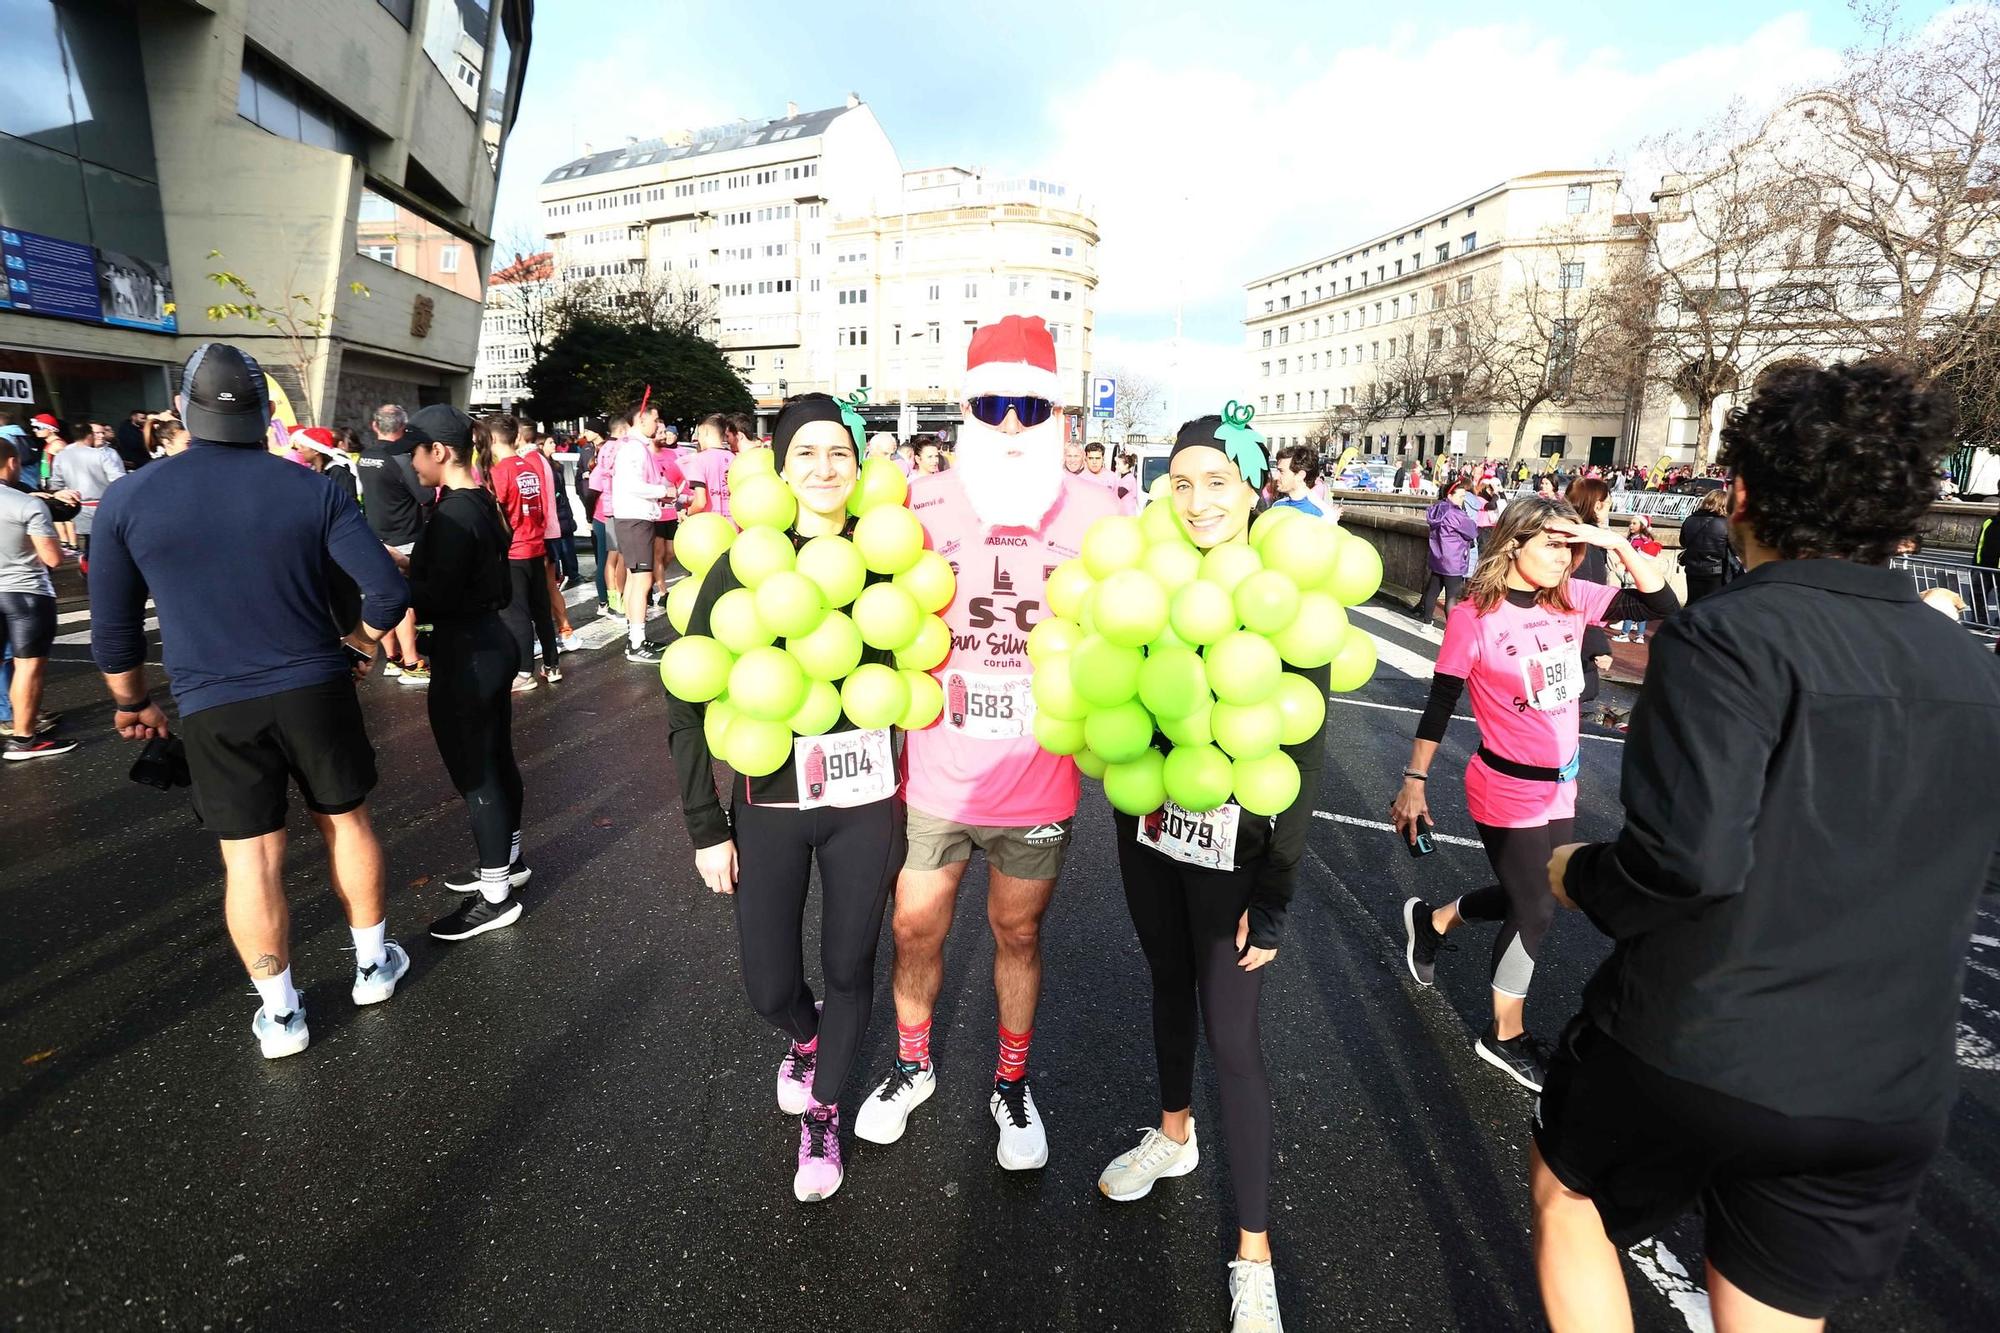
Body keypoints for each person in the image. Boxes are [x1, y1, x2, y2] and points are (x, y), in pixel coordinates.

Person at [1532, 360, 2000, 1333]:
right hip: (1885, 1085)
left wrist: (1579, 873)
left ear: (1741, 492)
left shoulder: (1727, 636)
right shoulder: (1969, 666)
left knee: (1567, 1197)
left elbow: (1685, 860)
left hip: (1704, 1044)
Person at [89, 343, 412, 1060]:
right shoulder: (314, 488)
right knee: (346, 821)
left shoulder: (128, 498)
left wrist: (131, 702)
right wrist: (359, 644)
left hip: (213, 701)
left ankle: (283, 1014)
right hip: (314, 685)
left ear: (182, 410)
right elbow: (388, 593)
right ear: (268, 413)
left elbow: (114, 635)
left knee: (251, 859)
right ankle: (371, 968)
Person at [853, 315, 1122, 1168]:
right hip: (939, 771)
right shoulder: (918, 506)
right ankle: (911, 1065)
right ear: (967, 408)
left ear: (1059, 415)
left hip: (1038, 779)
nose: (1011, 424)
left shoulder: (1101, 510)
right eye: (994, 403)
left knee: (1017, 934)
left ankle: (1011, 1083)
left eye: (1031, 407)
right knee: (915, 927)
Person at [1095, 416, 1326, 1333]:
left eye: (1221, 479)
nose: (1199, 500)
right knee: (1164, 983)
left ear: (1253, 486)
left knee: (1234, 1037)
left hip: (1237, 849)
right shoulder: (1142, 578)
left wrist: (1274, 900)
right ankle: (1174, 1134)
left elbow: (1299, 760)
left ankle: (1254, 1253)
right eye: (1182, 481)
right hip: (1148, 825)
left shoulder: (1279, 599)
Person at [668, 393, 903, 1203]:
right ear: (778, 464)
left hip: (864, 802)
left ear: (858, 462)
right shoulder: (744, 562)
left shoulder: (888, 556)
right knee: (768, 984)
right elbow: (687, 694)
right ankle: (804, 1042)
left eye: (839, 451)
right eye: (806, 452)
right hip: (767, 800)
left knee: (848, 965)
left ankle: (826, 1112)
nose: (825, 467)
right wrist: (705, 824)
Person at [1389, 495, 1678, 1092]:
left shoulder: (1574, 597)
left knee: (1542, 889)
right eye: (1551, 542)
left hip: (1561, 783)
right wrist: (1414, 781)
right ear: (1514, 542)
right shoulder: (1476, 613)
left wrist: (1614, 543)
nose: (1565, 555)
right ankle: (1505, 1036)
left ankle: (1435, 920)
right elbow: (1441, 702)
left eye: (1571, 545)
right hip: (1503, 785)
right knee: (1537, 908)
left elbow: (1664, 605)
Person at [400, 408, 531, 942]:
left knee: (476, 772)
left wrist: (389, 580)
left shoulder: (455, 513)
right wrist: (411, 564)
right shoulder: (479, 500)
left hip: (468, 652)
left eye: (415, 451)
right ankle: (507, 860)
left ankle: (495, 895)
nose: (410, 462)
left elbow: (437, 594)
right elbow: (460, 574)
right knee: (495, 756)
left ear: (441, 451)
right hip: (488, 642)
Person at [0, 439, 77, 758]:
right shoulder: (25, 504)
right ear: (13, 462)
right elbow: (53, 557)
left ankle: (13, 724)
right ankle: (25, 739)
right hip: (25, 594)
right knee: (28, 667)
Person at [355, 404, 431, 684]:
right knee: (404, 602)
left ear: (375, 426)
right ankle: (411, 663)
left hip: (375, 535)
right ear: (403, 427)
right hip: (405, 538)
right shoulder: (400, 457)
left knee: (382, 595)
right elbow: (424, 495)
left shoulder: (365, 457)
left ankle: (393, 659)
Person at [486, 414, 560, 689]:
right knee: (541, 609)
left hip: (515, 548)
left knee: (516, 611)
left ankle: (524, 671)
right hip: (536, 544)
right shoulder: (529, 466)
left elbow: (497, 511)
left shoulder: (500, 472)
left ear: (493, 439)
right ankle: (551, 665)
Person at [604, 401, 672, 662]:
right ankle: (635, 644)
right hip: (635, 519)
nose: (658, 424)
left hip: (637, 518)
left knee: (637, 579)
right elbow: (633, 485)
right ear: (641, 420)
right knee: (642, 580)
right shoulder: (633, 449)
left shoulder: (636, 447)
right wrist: (662, 492)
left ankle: (637, 638)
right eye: (655, 419)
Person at [1563, 478, 1618, 703]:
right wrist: (1598, 646)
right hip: (1572, 640)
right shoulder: (1585, 543)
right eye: (1608, 505)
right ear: (1597, 506)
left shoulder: (1567, 533)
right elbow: (1583, 598)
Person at [47, 420, 126, 563]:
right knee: (107, 542)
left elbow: (55, 484)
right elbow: (118, 480)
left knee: (90, 542)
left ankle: (88, 567)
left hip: (78, 506)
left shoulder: (62, 456)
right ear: (89, 435)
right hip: (103, 504)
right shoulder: (100, 455)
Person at [1414, 478, 1479, 629]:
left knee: (1433, 591)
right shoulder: (1456, 514)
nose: (1463, 499)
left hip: (1438, 557)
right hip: (1454, 559)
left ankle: (1427, 623)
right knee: (1452, 596)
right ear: (1450, 496)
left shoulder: (1436, 509)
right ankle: (1451, 628)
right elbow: (1472, 531)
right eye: (1461, 496)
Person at [1678, 484, 1732, 605]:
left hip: (1692, 569)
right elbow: (1734, 548)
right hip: (1716, 571)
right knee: (1713, 605)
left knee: (1692, 602)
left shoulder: (1690, 520)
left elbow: (1683, 542)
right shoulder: (1726, 524)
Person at [685, 413, 735, 521]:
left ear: (705, 432)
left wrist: (686, 513)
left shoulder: (699, 460)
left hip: (709, 528)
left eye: (698, 434)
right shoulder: (735, 459)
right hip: (734, 527)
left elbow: (700, 502)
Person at [1269, 443, 1325, 517]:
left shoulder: (1321, 513)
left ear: (1300, 475)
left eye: (1281, 471)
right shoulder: (1277, 506)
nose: (1275, 477)